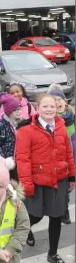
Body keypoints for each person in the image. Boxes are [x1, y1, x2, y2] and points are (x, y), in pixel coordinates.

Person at [16, 94, 75, 263]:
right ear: (38, 108)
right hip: (37, 181)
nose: (49, 109)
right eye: (45, 106)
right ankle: (23, 230)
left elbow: (68, 153)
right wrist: (26, 185)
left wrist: (72, 176)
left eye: (52, 106)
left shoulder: (61, 126)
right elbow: (22, 159)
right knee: (35, 215)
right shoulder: (26, 130)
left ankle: (53, 254)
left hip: (59, 180)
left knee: (56, 217)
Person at [48, 90, 76, 225]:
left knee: (69, 187)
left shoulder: (72, 115)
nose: (58, 102)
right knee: (60, 187)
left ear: (65, 101)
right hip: (59, 157)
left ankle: (62, 207)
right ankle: (63, 211)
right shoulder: (51, 120)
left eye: (60, 99)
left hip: (73, 155)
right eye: (55, 100)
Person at [0, 93, 22, 180]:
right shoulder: (0, 128)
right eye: (15, 110)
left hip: (19, 163)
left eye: (19, 109)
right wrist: (5, 162)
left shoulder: (21, 125)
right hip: (5, 165)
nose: (18, 112)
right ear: (9, 112)